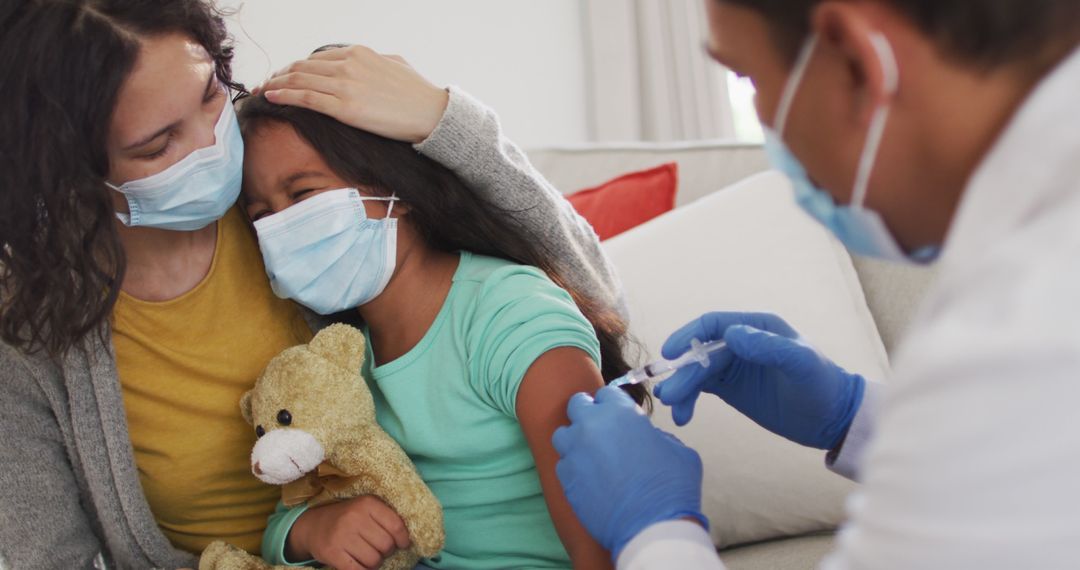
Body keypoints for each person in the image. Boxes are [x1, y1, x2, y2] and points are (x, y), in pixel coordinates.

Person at [0, 1, 626, 568]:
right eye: (160, 144)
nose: (215, 149)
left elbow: (588, 301)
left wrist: (443, 122)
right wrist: (301, 536)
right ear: (69, 172)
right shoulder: (28, 325)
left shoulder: (307, 204)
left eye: (212, 95)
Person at [552, 0, 1080, 568]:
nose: (766, 119)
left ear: (854, 57)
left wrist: (653, 528)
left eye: (749, 77)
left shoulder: (1024, 327)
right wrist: (855, 415)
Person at [236, 82, 646, 569]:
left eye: (303, 193)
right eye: (262, 215)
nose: (284, 227)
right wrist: (311, 530)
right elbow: (292, 505)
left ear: (398, 189)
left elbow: (604, 533)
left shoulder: (509, 312)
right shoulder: (335, 360)